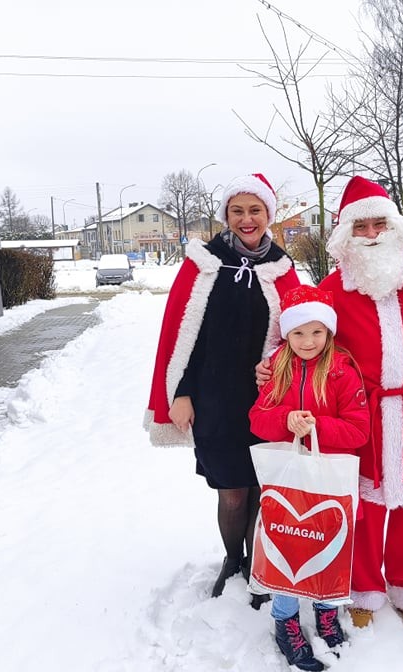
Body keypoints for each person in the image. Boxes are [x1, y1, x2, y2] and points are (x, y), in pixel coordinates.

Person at [262, 176, 403, 628]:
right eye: (360, 227)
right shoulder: (333, 286)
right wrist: (273, 365)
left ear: (394, 225)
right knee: (363, 503)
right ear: (346, 234)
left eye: (378, 224)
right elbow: (306, 334)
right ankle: (363, 589)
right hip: (363, 411)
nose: (371, 234)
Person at [145, 173, 300, 603]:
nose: (247, 219)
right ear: (226, 215)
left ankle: (258, 565)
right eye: (237, 211)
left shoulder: (282, 270)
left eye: (255, 210)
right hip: (214, 400)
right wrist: (180, 392)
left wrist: (280, 371)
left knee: (263, 490)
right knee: (232, 493)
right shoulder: (203, 265)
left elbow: (300, 334)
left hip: (266, 401)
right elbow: (179, 336)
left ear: (269, 215)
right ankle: (234, 559)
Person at [248, 285, 370, 672]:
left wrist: (319, 426)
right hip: (290, 484)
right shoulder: (278, 367)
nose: (307, 341)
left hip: (331, 483)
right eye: (298, 332)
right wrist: (286, 420)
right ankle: (285, 620)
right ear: (287, 333)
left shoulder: (342, 371)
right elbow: (257, 419)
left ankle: (326, 611)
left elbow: (359, 430)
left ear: (329, 331)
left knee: (331, 550)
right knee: (289, 549)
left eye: (317, 332)